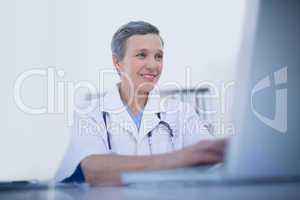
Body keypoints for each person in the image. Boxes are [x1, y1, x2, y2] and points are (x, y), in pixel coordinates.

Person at [55, 21, 226, 186]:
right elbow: (94, 170)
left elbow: (212, 157)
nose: (153, 65)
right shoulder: (90, 113)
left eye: (158, 56)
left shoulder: (181, 112)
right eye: (141, 55)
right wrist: (182, 157)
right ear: (117, 62)